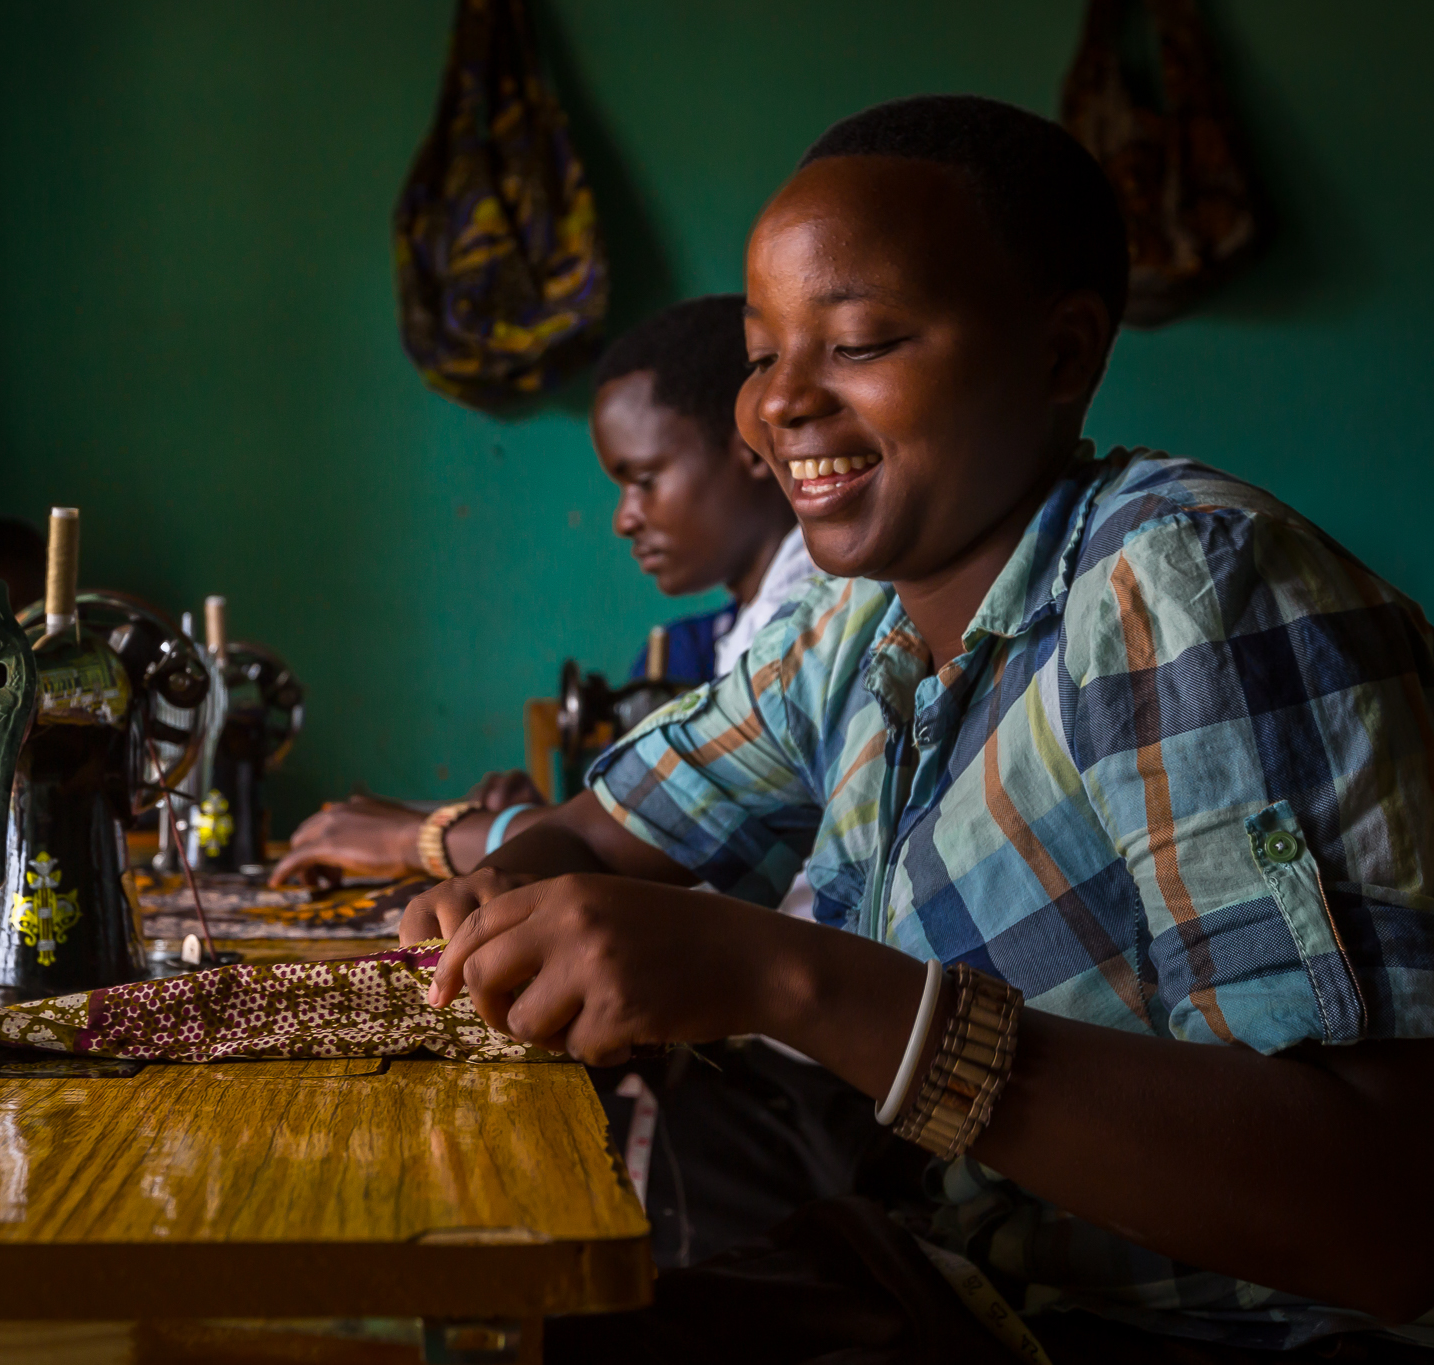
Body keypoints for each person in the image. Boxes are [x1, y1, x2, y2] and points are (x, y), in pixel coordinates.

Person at [406, 95, 1434, 1362]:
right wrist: (495, 893)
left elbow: (1381, 1217)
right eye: (758, 350)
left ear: (1060, 356)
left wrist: (784, 975)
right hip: (945, 1286)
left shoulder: (1182, 588)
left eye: (859, 341)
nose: (777, 406)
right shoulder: (850, 630)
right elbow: (594, 840)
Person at [267, 295, 807, 891]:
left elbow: (661, 845)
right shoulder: (746, 629)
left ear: (751, 447)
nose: (623, 520)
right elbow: (649, 825)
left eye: (644, 480)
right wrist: (542, 822)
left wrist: (420, 836)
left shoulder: (805, 626)